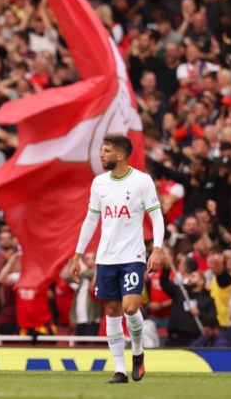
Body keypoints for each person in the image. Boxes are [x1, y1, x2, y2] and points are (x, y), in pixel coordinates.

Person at [71, 135, 165, 384]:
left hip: (132, 256)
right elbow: (91, 220)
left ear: (120, 155)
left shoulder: (142, 181)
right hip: (105, 258)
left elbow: (156, 216)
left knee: (130, 307)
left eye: (106, 151)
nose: (101, 155)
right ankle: (120, 370)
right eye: (102, 150)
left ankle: (137, 352)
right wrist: (77, 255)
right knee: (112, 312)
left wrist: (156, 249)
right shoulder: (99, 183)